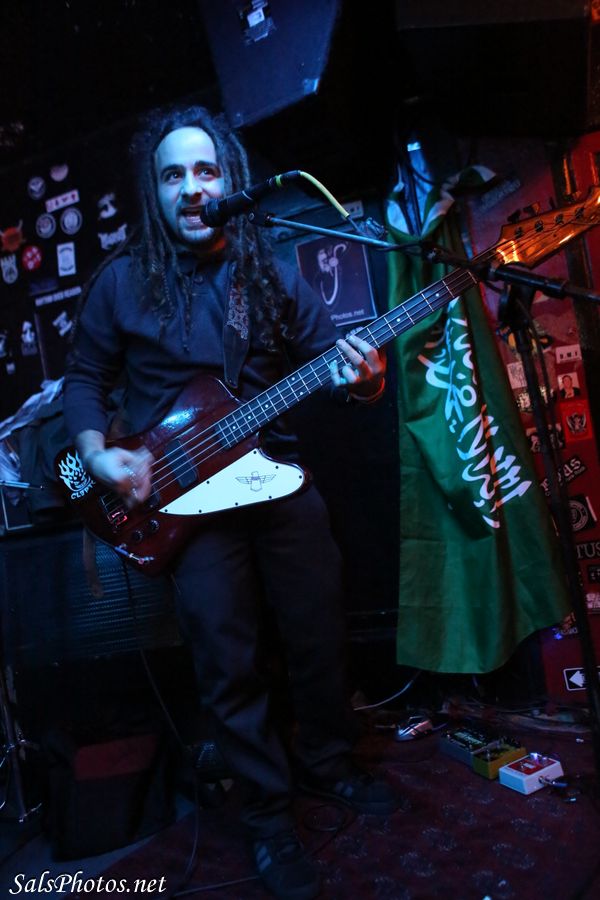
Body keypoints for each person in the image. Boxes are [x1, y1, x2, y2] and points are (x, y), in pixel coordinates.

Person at [62, 104, 398, 900]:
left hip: (277, 478)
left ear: (230, 182)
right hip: (184, 502)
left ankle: (328, 763)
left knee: (319, 631)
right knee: (229, 661)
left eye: (206, 171)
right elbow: (83, 380)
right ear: (155, 191)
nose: (192, 187)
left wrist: (367, 378)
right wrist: (98, 453)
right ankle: (268, 818)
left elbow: (339, 366)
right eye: (173, 174)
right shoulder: (121, 281)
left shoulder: (269, 268)